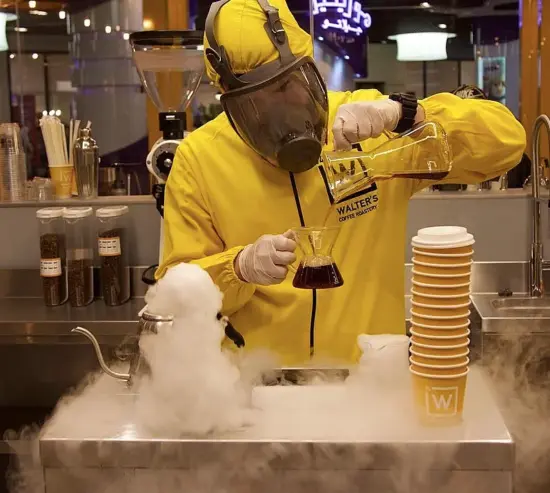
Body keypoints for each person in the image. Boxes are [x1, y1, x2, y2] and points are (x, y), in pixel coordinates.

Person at [157, 0, 527, 365]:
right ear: (227, 99)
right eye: (255, 101)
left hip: (368, 382)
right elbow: (177, 295)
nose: (279, 109)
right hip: (256, 391)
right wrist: (237, 267)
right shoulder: (198, 160)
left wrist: (405, 114)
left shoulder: (370, 123)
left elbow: (506, 144)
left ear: (309, 69)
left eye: (286, 85)